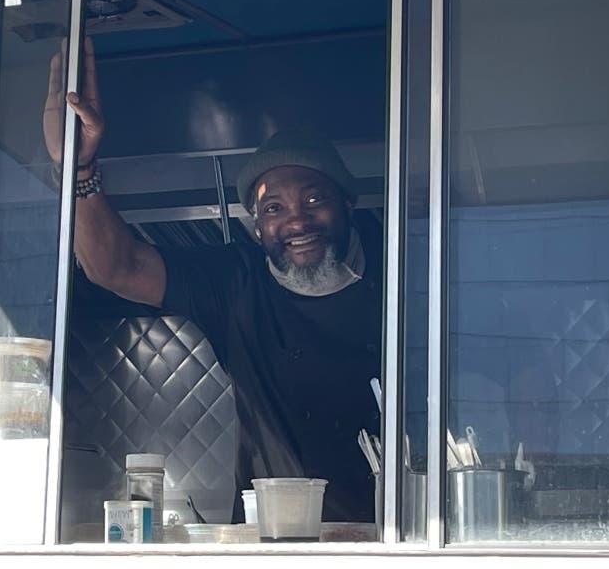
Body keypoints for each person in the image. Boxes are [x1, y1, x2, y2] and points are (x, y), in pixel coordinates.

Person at [45, 40, 383, 522]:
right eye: (274, 209)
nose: (296, 221)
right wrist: (77, 167)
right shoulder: (234, 281)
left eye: (314, 200)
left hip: (397, 536)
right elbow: (115, 268)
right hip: (274, 547)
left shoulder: (401, 277)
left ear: (346, 203)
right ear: (256, 225)